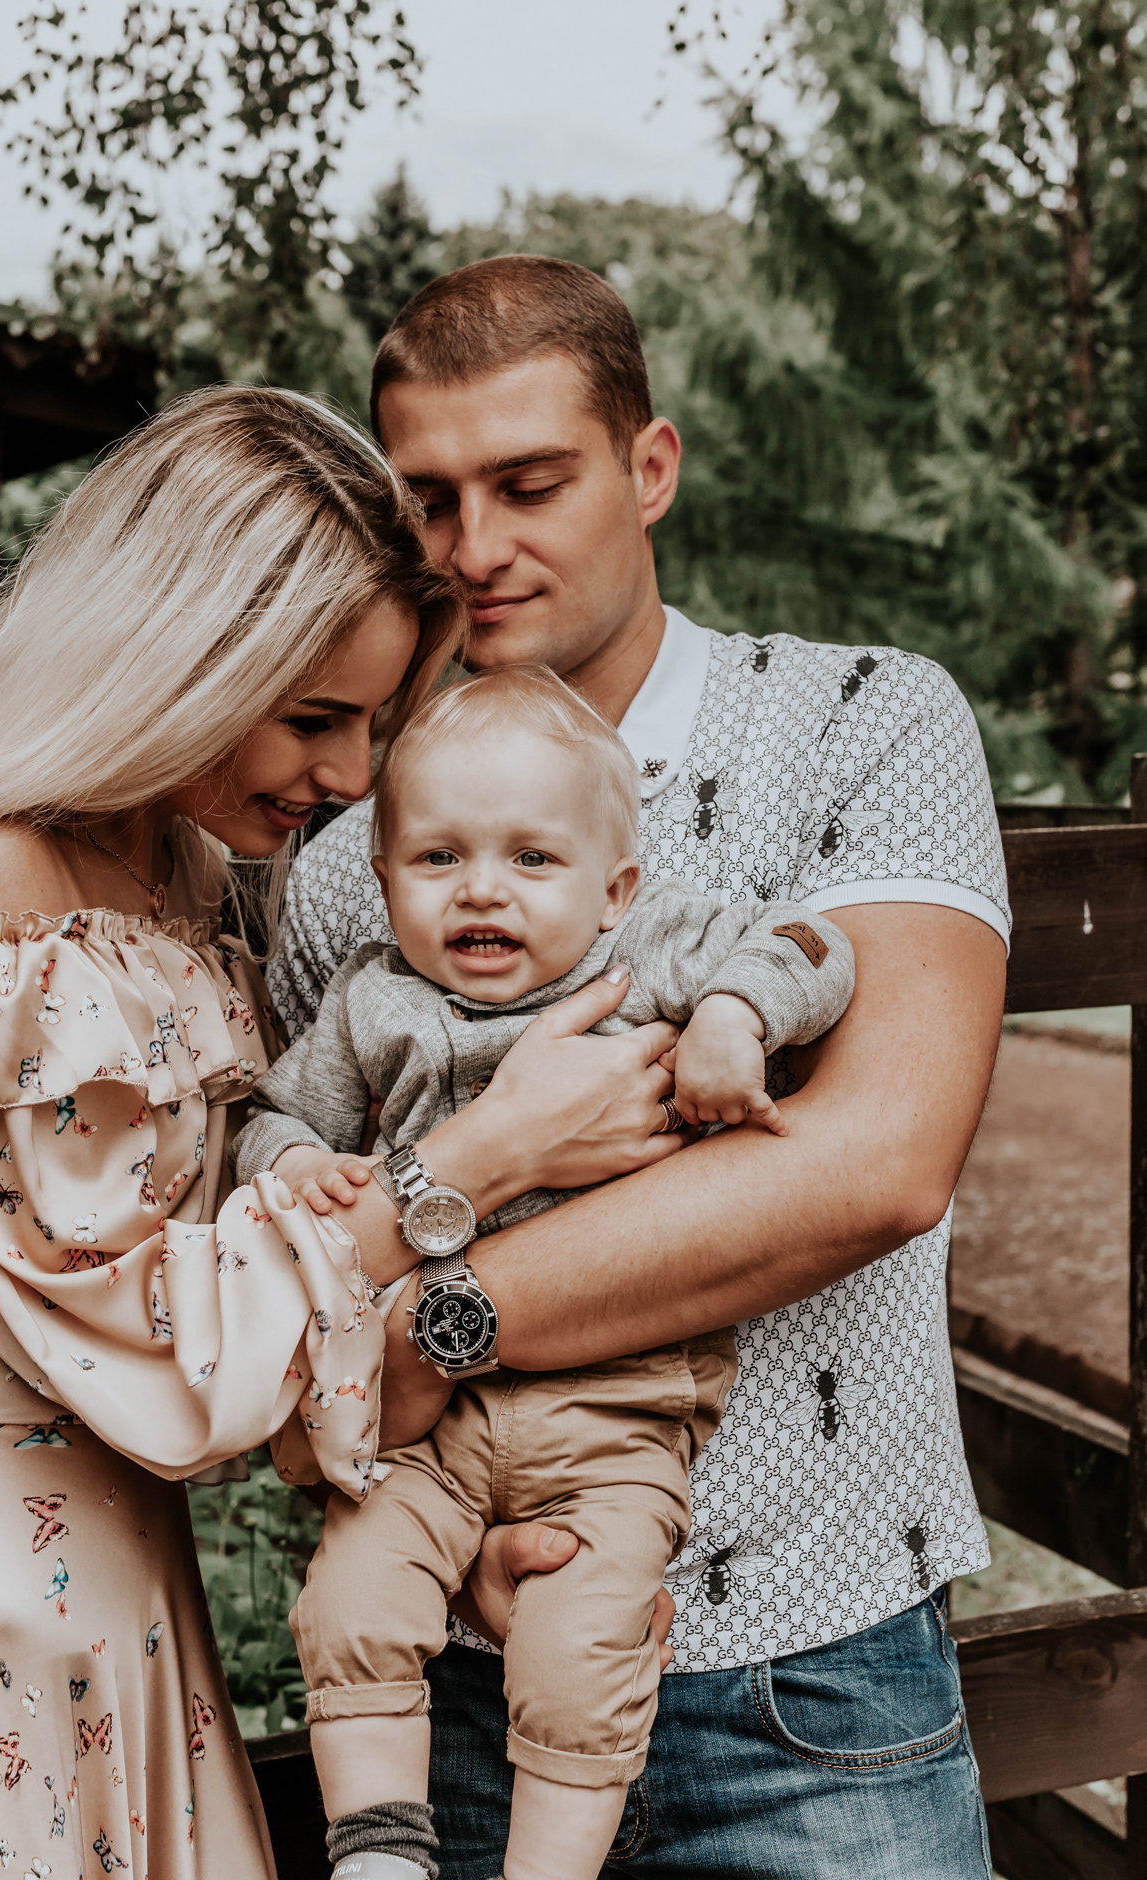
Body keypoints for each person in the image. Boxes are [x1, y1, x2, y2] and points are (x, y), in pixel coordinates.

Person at [266, 256, 1010, 1879]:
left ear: (647, 466)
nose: (475, 549)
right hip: (473, 1683)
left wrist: (434, 1330)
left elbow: (873, 1164)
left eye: (529, 484)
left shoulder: (863, 725)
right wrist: (434, 1510)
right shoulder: (346, 864)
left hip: (820, 1686)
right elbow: (298, 1251)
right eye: (431, 500)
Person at [0, 385, 684, 1879]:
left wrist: (456, 1528)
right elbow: (149, 1333)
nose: (350, 775)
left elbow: (243, 1318)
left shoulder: (179, 877)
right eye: (316, 716)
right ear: (175, 660)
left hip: (111, 1561)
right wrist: (480, 1157)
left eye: (378, 721)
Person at [233, 664, 854, 1880]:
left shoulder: (652, 944)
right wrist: (296, 1157)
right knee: (350, 1605)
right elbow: (268, 1117)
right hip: (424, 1422)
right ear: (381, 876)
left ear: (612, 882)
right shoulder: (370, 1003)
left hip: (615, 1413)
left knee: (583, 1650)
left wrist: (735, 1012)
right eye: (438, 858)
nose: (481, 890)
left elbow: (811, 941)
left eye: (530, 859)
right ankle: (376, 1849)